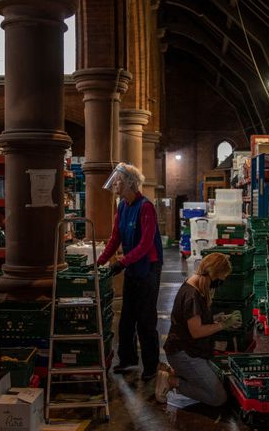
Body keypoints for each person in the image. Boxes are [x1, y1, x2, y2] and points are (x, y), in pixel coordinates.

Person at [96, 163, 164, 381]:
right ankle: (128, 359)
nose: (115, 184)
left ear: (129, 183)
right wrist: (100, 261)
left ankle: (151, 366)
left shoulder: (146, 207)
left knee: (145, 319)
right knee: (126, 318)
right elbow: (115, 237)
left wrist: (122, 262)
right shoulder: (122, 206)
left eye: (118, 181)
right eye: (115, 180)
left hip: (148, 268)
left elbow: (145, 244)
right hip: (133, 266)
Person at [155, 252, 242, 405]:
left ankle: (175, 372)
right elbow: (196, 332)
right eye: (222, 277)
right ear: (214, 273)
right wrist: (223, 325)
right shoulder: (192, 295)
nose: (222, 280)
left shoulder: (194, 284)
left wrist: (217, 319)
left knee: (220, 381)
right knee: (218, 397)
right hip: (185, 353)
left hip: (192, 350)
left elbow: (193, 322)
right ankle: (171, 381)